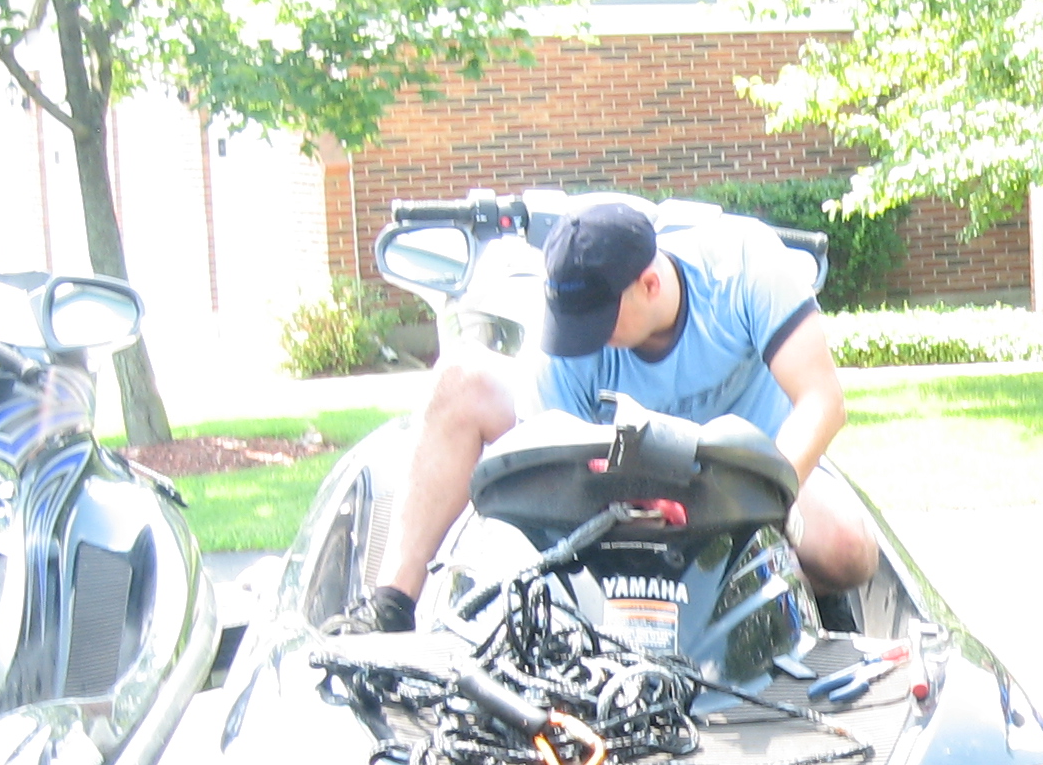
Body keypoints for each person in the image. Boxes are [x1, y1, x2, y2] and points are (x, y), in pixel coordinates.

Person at [327, 195, 878, 633]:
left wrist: (752, 502)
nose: (584, 342)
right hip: (616, 470)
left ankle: (797, 610)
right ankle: (390, 605)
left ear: (650, 285)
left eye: (599, 324)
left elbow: (822, 403)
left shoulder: (744, 264)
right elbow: (550, 462)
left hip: (751, 469)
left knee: (848, 550)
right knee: (459, 381)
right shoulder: (567, 336)